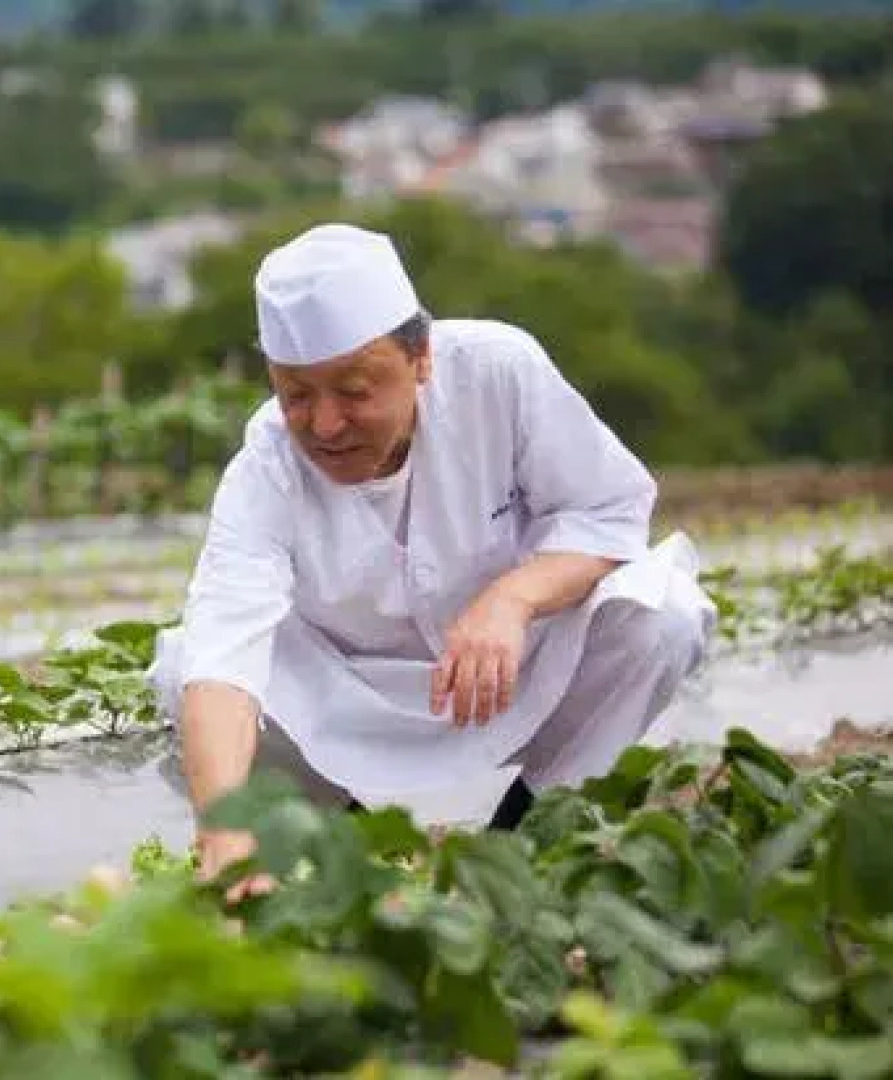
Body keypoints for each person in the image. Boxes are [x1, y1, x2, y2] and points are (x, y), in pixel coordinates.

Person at [146, 222, 717, 884]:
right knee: (186, 670)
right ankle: (347, 848)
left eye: (354, 391)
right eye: (296, 395)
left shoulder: (500, 372)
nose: (325, 425)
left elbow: (607, 509)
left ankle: (533, 834)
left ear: (421, 358)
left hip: (516, 663)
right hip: (355, 692)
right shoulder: (265, 465)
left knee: (664, 618)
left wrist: (513, 599)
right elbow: (224, 644)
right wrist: (223, 833)